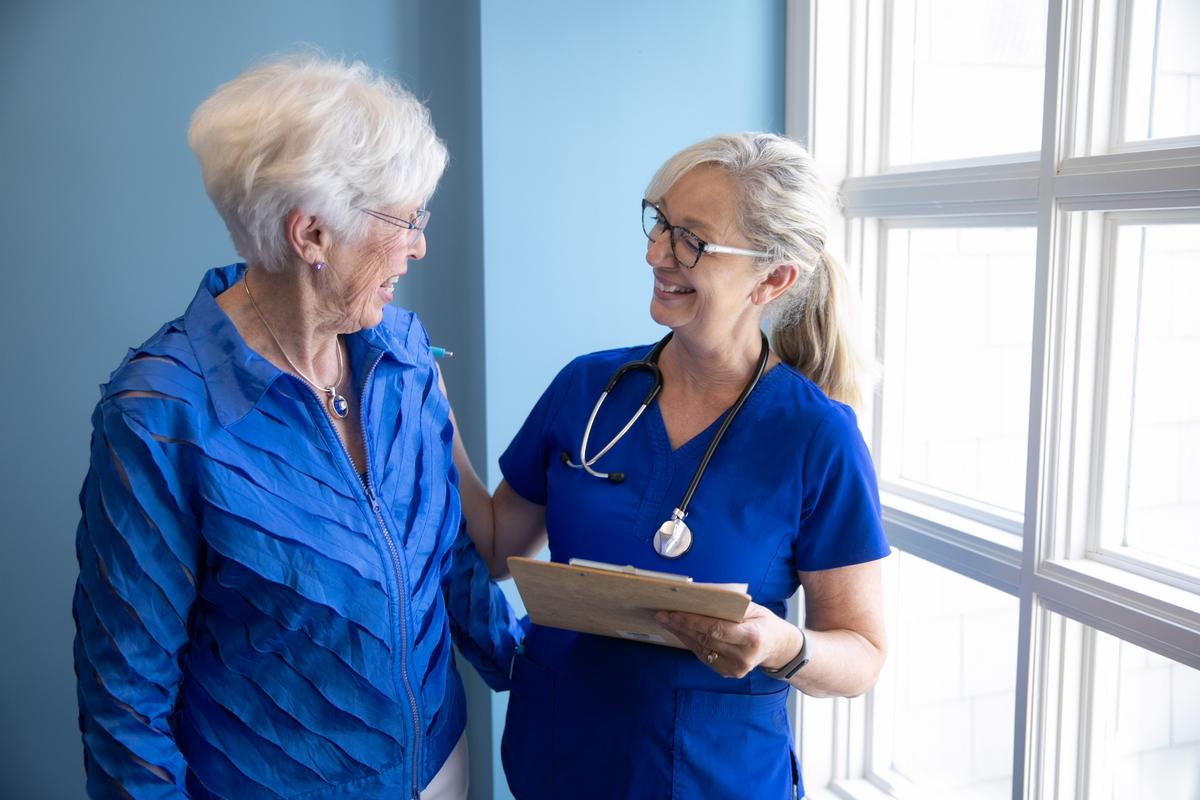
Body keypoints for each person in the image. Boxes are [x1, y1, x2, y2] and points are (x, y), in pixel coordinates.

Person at [72, 55, 520, 800]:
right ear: (311, 234)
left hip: (440, 767)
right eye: (405, 220)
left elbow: (447, 562)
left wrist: (553, 679)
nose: (419, 245)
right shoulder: (162, 417)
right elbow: (125, 703)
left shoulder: (401, 352)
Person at [450, 133, 891, 799]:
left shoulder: (815, 438)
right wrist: (427, 410)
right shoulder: (588, 389)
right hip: (557, 764)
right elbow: (489, 546)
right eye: (659, 223)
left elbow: (861, 655)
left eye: (692, 239)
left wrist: (780, 646)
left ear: (772, 279)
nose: (656, 253)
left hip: (711, 778)